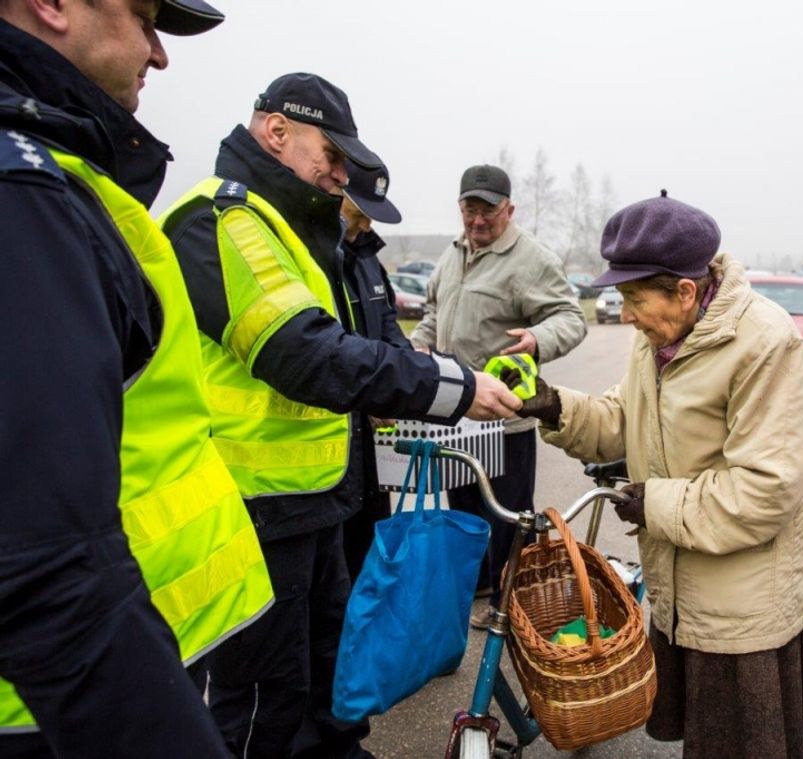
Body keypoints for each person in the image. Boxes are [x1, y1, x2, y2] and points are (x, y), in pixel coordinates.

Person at [160, 74, 521, 757]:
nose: (338, 172)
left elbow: (357, 346)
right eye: (331, 153)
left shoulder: (289, 228)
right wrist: (449, 385)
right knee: (268, 695)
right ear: (276, 131)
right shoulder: (224, 221)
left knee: (330, 664)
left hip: (312, 500)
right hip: (253, 508)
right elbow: (308, 354)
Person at [0, 1, 277, 757]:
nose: (159, 55)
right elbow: (45, 568)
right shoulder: (23, 187)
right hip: (58, 708)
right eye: (144, 15)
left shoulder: (57, 171)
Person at [511, 192, 803, 757]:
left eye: (632, 298)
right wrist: (555, 406)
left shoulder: (767, 344)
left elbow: (765, 488)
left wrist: (652, 504)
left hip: (739, 606)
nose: (624, 314)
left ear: (684, 290)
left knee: (739, 743)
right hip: (684, 590)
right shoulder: (659, 336)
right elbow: (625, 417)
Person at [410, 164, 586, 628]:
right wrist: (418, 344)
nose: (478, 221)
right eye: (470, 210)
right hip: (455, 412)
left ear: (509, 210)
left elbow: (570, 317)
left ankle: (516, 608)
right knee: (464, 512)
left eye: (488, 211)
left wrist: (537, 338)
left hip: (505, 420)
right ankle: (482, 585)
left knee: (507, 519)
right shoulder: (453, 254)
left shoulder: (532, 259)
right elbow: (433, 312)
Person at [338, 159, 413, 580]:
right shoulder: (316, 257)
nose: (366, 226)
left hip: (372, 441)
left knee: (370, 545)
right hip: (337, 436)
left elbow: (387, 325)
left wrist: (414, 372)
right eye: (359, 214)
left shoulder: (368, 258)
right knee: (340, 564)